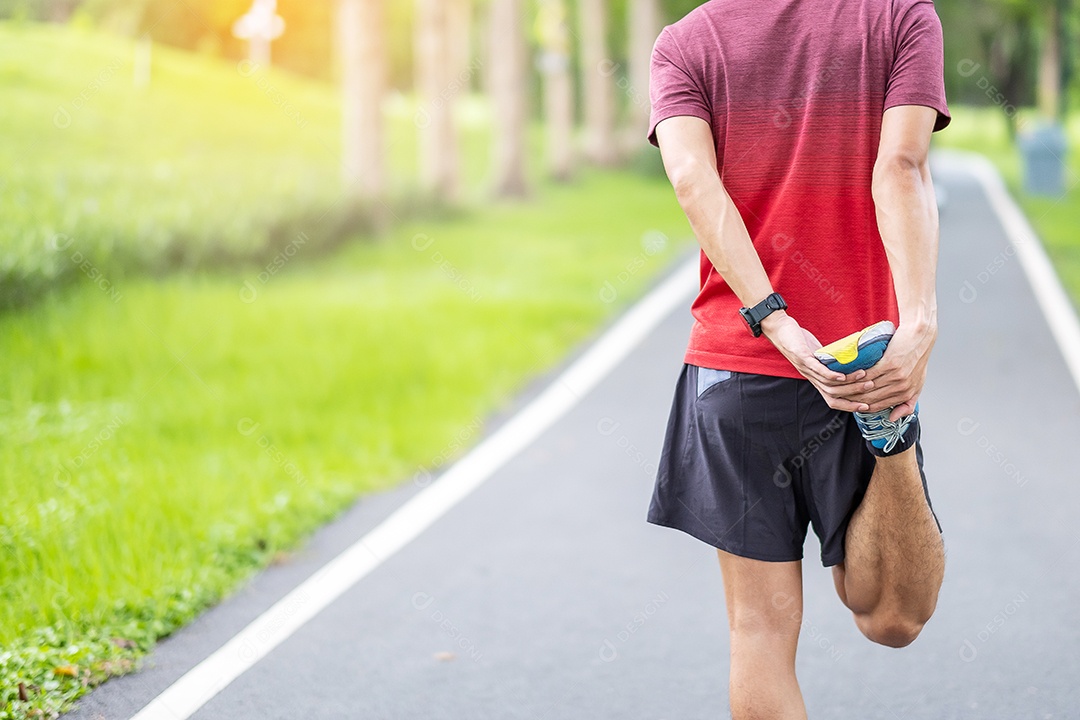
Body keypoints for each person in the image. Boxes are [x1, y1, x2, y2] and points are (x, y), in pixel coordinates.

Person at [645, 0, 950, 717]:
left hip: (734, 370)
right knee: (893, 619)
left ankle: (889, 428)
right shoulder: (902, 18)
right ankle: (891, 429)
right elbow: (901, 166)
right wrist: (918, 326)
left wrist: (771, 321)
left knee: (758, 631)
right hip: (864, 362)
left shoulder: (685, 42)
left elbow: (694, 182)